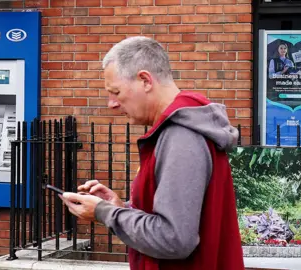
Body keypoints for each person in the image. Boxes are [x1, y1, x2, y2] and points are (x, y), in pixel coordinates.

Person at [59, 36, 245, 270]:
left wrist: (104, 212)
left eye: (115, 91)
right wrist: (120, 208)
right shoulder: (183, 129)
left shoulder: (181, 136)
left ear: (145, 80)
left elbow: (174, 239)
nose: (111, 104)